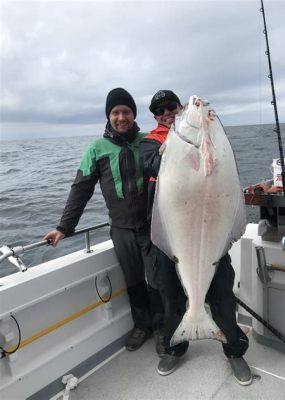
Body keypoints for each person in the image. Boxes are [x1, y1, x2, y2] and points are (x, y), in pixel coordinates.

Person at [139, 90, 252, 385]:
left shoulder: (210, 138)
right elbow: (151, 164)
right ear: (154, 115)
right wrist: (173, 147)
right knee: (171, 298)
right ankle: (175, 347)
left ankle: (235, 351)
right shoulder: (150, 142)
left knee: (223, 296)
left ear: (179, 108)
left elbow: (226, 169)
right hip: (176, 235)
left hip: (210, 230)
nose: (167, 112)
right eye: (159, 109)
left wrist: (207, 129)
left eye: (171, 106)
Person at [43, 88, 164, 353]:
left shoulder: (148, 141)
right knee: (133, 281)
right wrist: (64, 227)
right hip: (121, 230)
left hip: (152, 226)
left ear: (134, 114)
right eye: (116, 112)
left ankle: (163, 330)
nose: (121, 117)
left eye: (127, 112)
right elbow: (81, 189)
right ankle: (142, 326)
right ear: (109, 116)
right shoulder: (97, 148)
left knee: (157, 280)